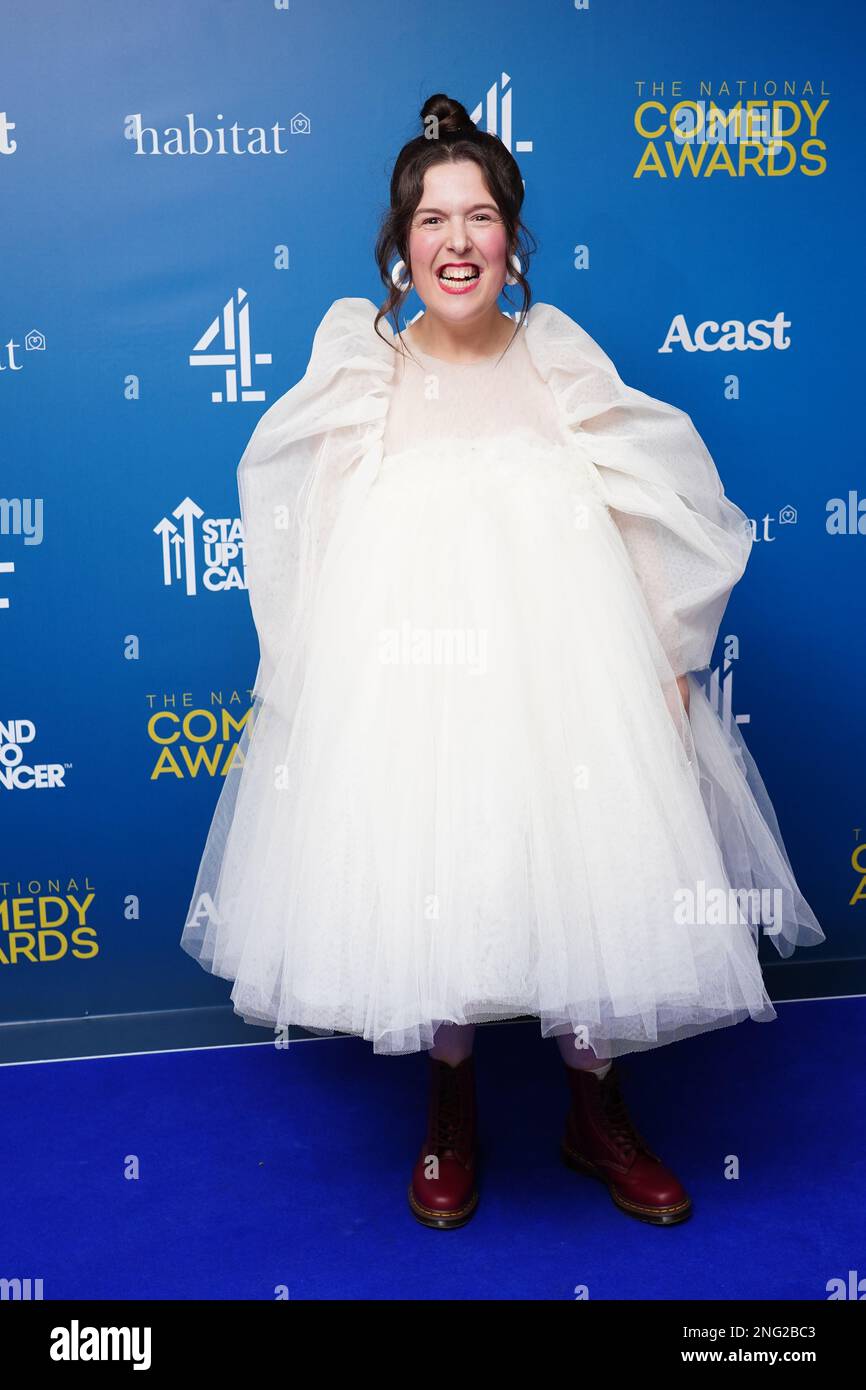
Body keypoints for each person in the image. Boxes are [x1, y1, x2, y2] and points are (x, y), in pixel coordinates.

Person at [181, 93, 825, 1232]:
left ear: (511, 242)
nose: (457, 241)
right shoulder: (360, 367)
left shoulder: (555, 358)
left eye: (479, 217)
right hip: (409, 698)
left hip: (559, 695)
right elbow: (301, 537)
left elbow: (651, 511)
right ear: (399, 247)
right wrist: (316, 692)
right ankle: (449, 1104)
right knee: (432, 879)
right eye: (433, 221)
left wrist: (668, 663)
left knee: (586, 882)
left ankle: (595, 1109)